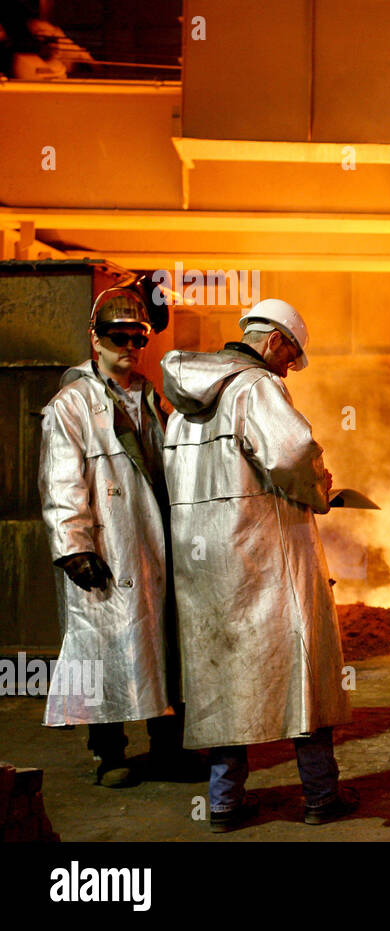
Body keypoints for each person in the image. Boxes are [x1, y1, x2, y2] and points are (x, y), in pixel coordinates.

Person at [160, 298, 357, 832]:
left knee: (220, 676)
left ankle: (223, 803)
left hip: (204, 566)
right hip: (266, 555)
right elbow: (292, 454)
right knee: (302, 669)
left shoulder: (182, 407)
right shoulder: (256, 387)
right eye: (292, 353)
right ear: (272, 339)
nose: (291, 366)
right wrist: (322, 490)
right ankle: (320, 796)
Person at [38, 286, 199, 787]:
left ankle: (167, 749)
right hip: (109, 546)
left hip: (154, 542)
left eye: (137, 337)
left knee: (164, 647)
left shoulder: (151, 396)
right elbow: (60, 478)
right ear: (96, 338)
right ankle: (109, 755)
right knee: (101, 648)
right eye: (118, 336)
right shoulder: (72, 404)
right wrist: (74, 546)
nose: (129, 345)